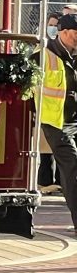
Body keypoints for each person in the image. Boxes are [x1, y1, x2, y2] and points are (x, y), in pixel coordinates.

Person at [41, 13, 77, 234]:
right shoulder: (44, 54)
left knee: (70, 171)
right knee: (73, 166)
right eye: (75, 35)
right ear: (63, 32)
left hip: (75, 120)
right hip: (57, 122)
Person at [38, 13, 61, 193]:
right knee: (45, 155)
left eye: (55, 25)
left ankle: (60, 183)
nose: (51, 28)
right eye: (50, 24)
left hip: (60, 112)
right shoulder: (41, 51)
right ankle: (45, 182)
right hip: (44, 110)